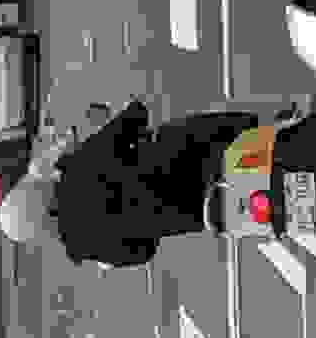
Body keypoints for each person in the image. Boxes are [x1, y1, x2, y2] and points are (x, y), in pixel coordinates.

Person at [26, 94, 264, 271]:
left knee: (248, 213)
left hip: (194, 210)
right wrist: (132, 106)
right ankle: (270, 124)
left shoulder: (85, 247)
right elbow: (131, 121)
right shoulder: (77, 169)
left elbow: (142, 253)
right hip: (190, 154)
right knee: (238, 126)